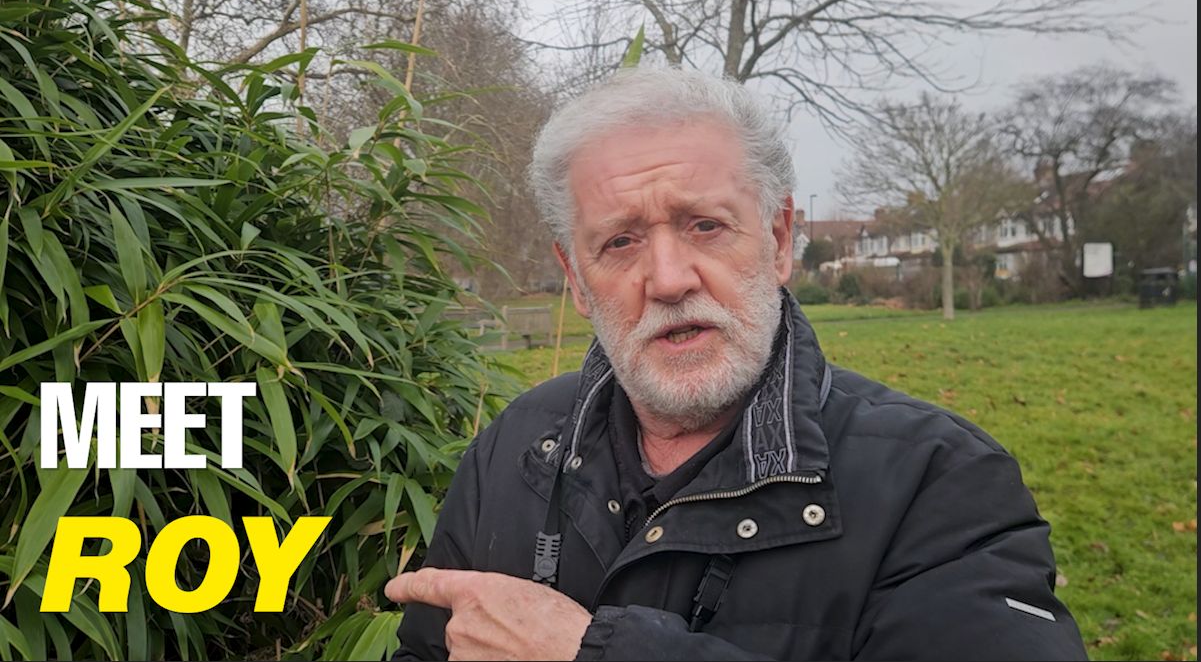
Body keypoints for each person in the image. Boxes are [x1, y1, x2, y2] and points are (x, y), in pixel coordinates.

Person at [385, 67, 1087, 661]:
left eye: (705, 226)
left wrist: (592, 653)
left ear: (779, 240)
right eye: (620, 241)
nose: (668, 279)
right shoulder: (516, 447)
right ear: (575, 277)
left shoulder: (938, 484)